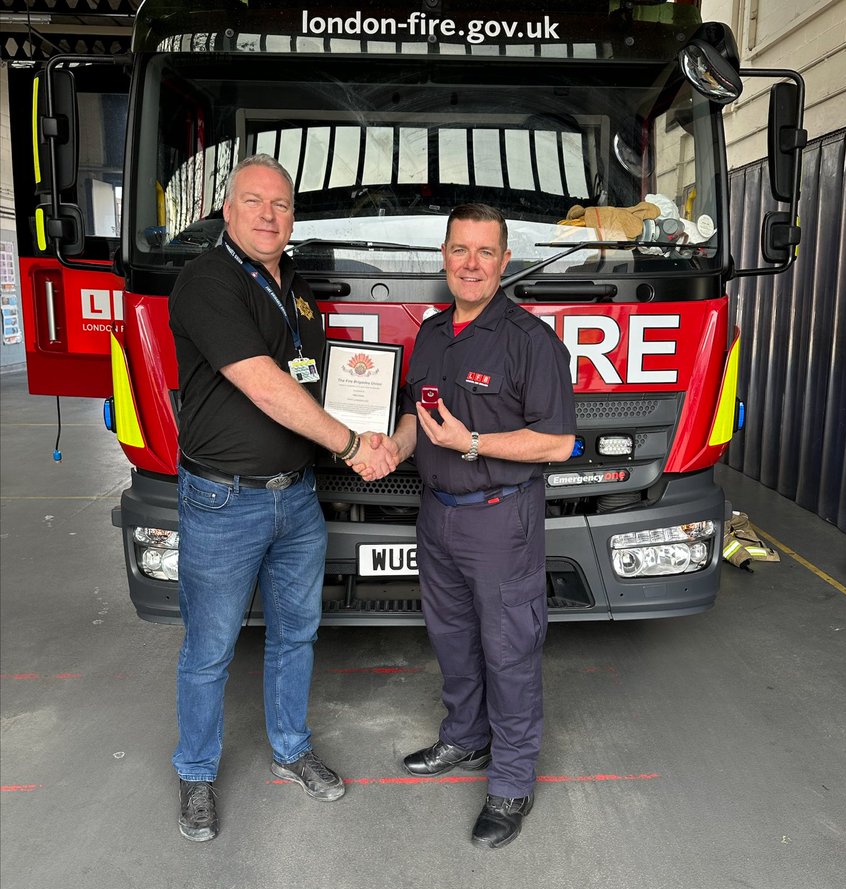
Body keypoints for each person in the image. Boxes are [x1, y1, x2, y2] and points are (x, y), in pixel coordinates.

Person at [168, 154, 396, 842]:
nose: (270, 216)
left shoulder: (292, 287)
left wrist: (383, 416)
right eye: (255, 202)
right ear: (228, 210)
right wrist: (357, 447)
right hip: (223, 501)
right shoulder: (206, 281)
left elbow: (315, 378)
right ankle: (197, 772)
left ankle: (291, 750)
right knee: (210, 648)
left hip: (297, 498)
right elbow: (265, 384)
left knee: (296, 634)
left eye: (282, 205)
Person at [374, 203, 576, 849]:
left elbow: (557, 445)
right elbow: (418, 414)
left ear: (503, 262)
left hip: (500, 521)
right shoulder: (431, 333)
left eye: (484, 252)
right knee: (453, 640)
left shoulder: (529, 341)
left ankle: (511, 784)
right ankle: (464, 739)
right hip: (437, 516)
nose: (470, 263)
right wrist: (391, 449)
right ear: (443, 255)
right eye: (459, 249)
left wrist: (474, 442)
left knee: (509, 653)